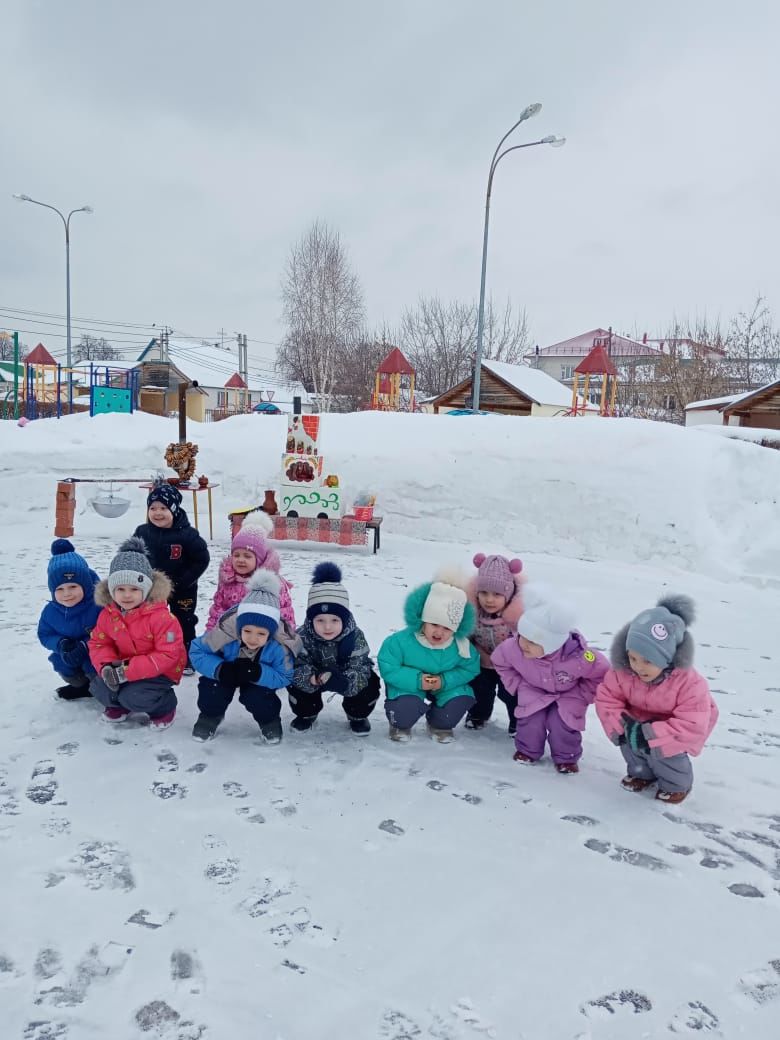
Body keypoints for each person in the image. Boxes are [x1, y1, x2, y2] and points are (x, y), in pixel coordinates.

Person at [595, 595, 719, 804]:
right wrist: (621, 725)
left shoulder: (689, 684)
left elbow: (692, 721)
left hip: (671, 729)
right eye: (632, 658)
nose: (638, 666)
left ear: (668, 658)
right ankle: (642, 773)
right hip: (636, 723)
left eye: (648, 661)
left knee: (667, 753)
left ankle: (676, 785)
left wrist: (653, 733)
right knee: (631, 744)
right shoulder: (622, 673)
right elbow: (607, 698)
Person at [491, 593, 609, 773]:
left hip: (569, 693)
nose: (525, 645)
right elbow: (500, 661)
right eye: (523, 637)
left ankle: (566, 757)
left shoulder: (578, 656)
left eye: (533, 642)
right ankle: (527, 750)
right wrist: (516, 684)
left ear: (552, 644)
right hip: (533, 688)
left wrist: (583, 694)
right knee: (530, 719)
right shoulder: (513, 647)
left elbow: (601, 673)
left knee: (562, 722)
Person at [88, 537, 186, 728]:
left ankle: (164, 706)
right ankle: (118, 704)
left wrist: (126, 672)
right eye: (120, 589)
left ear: (147, 588)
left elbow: (168, 654)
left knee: (134, 695)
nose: (126, 595)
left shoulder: (162, 618)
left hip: (160, 671)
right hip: (121, 666)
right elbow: (99, 643)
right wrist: (106, 666)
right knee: (100, 687)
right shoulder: (108, 614)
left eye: (134, 589)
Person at [189, 570, 295, 744]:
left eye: (261, 633)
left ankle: (269, 720)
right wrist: (220, 669)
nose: (253, 638)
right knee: (212, 687)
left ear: (271, 632)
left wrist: (259, 673)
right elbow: (197, 651)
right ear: (239, 627)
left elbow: (285, 675)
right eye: (247, 631)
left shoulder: (277, 646)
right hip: (227, 672)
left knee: (258, 696)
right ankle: (210, 715)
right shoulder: (225, 635)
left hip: (257, 680)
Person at [378, 573, 480, 743]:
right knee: (405, 707)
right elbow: (388, 665)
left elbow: (470, 667)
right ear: (423, 619)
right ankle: (400, 724)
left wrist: (444, 680)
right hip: (409, 686)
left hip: (443, 686)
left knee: (459, 700)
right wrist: (417, 680)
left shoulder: (460, 647)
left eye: (447, 628)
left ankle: (440, 723)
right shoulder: (400, 641)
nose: (439, 633)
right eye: (434, 624)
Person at [287, 562, 379, 736]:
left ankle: (356, 715)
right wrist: (311, 679)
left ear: (343, 620)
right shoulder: (302, 636)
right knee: (295, 684)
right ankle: (307, 713)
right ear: (311, 620)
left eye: (334, 620)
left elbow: (361, 667)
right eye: (320, 620)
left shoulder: (355, 636)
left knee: (370, 682)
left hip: (345, 676)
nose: (327, 627)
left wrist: (345, 683)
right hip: (315, 677)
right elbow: (296, 665)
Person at [133, 481, 210, 671]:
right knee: (148, 620)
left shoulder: (187, 535)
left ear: (174, 510)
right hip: (151, 588)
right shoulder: (143, 531)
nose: (157, 513)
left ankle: (186, 654)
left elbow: (201, 559)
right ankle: (151, 649)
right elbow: (134, 554)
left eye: (163, 508)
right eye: (153, 508)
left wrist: (183, 581)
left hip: (182, 588)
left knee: (183, 621)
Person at [465, 552, 524, 733]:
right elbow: (465, 637)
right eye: (484, 593)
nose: (489, 599)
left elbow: (527, 643)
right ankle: (478, 714)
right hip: (483, 661)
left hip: (511, 666)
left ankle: (518, 721)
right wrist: (474, 650)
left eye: (497, 594)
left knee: (512, 693)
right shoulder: (473, 613)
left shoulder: (517, 617)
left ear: (508, 594)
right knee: (480, 689)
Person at [37, 538, 101, 700]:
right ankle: (81, 686)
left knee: (94, 667)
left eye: (73, 586)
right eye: (60, 589)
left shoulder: (99, 605)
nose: (67, 593)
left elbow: (109, 631)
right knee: (61, 662)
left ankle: (103, 689)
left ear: (85, 586)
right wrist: (61, 644)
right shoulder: (50, 612)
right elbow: (45, 634)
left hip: (97, 653)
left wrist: (85, 645)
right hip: (68, 654)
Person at [206, 515, 295, 630]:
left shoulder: (272, 584)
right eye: (236, 555)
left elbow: (285, 614)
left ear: (260, 559)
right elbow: (217, 610)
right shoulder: (228, 580)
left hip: (261, 639)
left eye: (247, 556)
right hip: (229, 637)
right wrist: (211, 634)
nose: (241, 560)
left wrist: (282, 640)